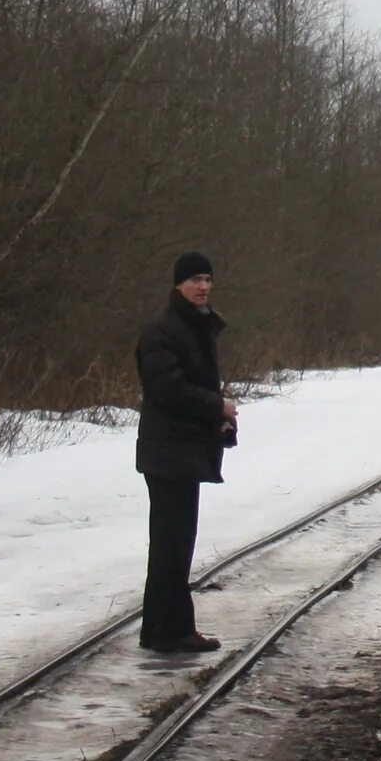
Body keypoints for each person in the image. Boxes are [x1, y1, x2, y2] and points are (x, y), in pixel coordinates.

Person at [135, 251, 238, 655]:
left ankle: (167, 628)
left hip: (182, 449)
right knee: (170, 543)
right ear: (178, 284)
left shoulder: (195, 327)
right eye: (195, 279)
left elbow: (193, 385)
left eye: (208, 279)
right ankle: (167, 631)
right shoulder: (163, 330)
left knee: (176, 542)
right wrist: (216, 406)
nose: (203, 286)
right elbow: (168, 389)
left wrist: (220, 418)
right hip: (168, 453)